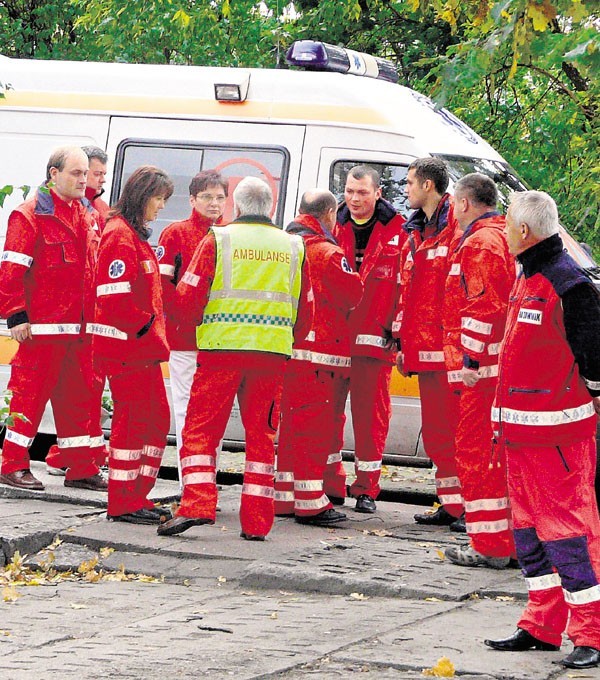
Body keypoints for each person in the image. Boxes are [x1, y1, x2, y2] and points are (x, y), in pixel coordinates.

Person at [157, 177, 312, 540]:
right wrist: (284, 338)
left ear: (237, 207)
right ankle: (257, 523)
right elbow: (307, 311)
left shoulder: (218, 239)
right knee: (262, 437)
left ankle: (197, 503)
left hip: (220, 352)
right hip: (272, 355)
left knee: (200, 429)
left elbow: (187, 299)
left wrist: (194, 324)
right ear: (271, 208)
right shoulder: (294, 246)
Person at [484, 191, 600, 670]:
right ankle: (541, 625)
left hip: (557, 442)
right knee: (529, 533)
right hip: (522, 438)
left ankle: (591, 632)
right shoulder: (529, 275)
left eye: (508, 224)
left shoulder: (569, 285)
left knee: (570, 533)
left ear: (525, 233)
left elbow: (595, 365)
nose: (504, 231)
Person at [0, 146, 107, 492]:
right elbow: (11, 271)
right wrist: (16, 315)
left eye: (84, 173)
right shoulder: (29, 215)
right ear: (53, 175)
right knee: (28, 398)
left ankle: (80, 467)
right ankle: (12, 464)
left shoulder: (84, 213)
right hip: (41, 332)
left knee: (77, 400)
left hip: (78, 330)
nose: (83, 180)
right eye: (75, 173)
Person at [440, 173, 516, 569]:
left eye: (454, 203)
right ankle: (508, 541)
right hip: (501, 365)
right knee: (498, 457)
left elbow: (481, 309)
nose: (452, 210)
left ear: (465, 203)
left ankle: (489, 544)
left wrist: (469, 361)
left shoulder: (480, 244)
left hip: (483, 370)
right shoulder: (504, 235)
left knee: (475, 453)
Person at [274, 189, 363, 526]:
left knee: (291, 426)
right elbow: (353, 294)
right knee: (314, 428)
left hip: (287, 351)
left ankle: (283, 497)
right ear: (329, 214)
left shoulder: (282, 246)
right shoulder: (328, 252)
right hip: (321, 355)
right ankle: (311, 501)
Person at [91, 165, 174, 524]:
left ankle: (136, 495)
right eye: (158, 199)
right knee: (136, 423)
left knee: (155, 420)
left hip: (140, 349)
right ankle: (124, 500)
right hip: (128, 351)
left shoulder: (131, 235)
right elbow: (114, 297)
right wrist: (146, 327)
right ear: (143, 197)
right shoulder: (121, 236)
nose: (161, 207)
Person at [330, 165, 406, 514]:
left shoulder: (400, 231)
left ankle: (367, 489)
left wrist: (398, 331)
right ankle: (331, 483)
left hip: (376, 342)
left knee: (370, 419)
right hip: (334, 340)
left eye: (362, 193)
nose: (354, 199)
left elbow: (408, 285)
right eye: (349, 191)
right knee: (328, 416)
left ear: (378, 193)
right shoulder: (333, 225)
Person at [394, 157, 463, 530]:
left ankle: (472, 506)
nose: (405, 190)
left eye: (409, 183)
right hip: (427, 351)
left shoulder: (456, 227)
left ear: (427, 186)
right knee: (438, 434)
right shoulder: (417, 230)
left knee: (460, 433)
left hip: (451, 352)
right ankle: (452, 504)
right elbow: (411, 292)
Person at [157, 170, 228, 483]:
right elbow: (163, 288)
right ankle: (192, 480)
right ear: (192, 200)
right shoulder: (175, 233)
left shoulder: (228, 236)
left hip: (218, 342)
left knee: (214, 414)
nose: (214, 203)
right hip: (185, 340)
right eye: (207, 197)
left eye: (220, 197)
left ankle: (207, 476)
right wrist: (187, 318)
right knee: (186, 410)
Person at [82, 146, 110, 231]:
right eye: (97, 174)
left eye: (104, 174)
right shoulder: (66, 202)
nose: (103, 180)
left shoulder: (103, 207)